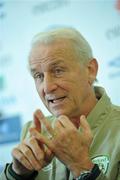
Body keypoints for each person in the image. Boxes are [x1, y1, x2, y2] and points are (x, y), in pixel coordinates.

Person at [1, 27, 120, 180]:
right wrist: (16, 174)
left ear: (90, 70)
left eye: (58, 70)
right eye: (38, 76)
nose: (47, 87)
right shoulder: (31, 132)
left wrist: (81, 166)